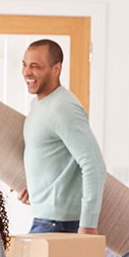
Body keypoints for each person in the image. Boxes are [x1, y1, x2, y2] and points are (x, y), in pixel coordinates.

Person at [19, 38, 107, 235]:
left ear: (56, 68)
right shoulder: (39, 104)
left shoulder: (63, 107)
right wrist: (35, 189)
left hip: (59, 224)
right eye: (24, 65)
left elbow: (94, 165)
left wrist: (88, 224)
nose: (26, 72)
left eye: (35, 66)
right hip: (46, 219)